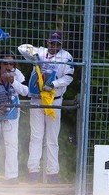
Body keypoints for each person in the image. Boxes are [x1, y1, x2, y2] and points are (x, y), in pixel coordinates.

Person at [18, 31, 74, 184]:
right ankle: (33, 172)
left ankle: (53, 173)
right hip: (37, 99)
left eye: (57, 44)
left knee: (52, 138)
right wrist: (35, 56)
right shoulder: (41, 52)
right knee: (36, 136)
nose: (54, 46)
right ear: (48, 42)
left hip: (54, 100)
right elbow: (21, 48)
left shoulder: (66, 56)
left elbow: (68, 77)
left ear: (61, 44)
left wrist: (54, 84)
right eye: (52, 43)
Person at [0, 52, 29, 182]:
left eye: (11, 63)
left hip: (12, 112)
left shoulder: (17, 74)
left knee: (12, 143)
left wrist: (13, 81)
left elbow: (26, 91)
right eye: (5, 63)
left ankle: (12, 176)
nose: (8, 66)